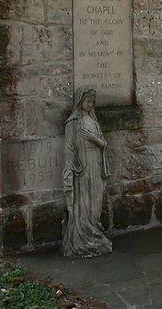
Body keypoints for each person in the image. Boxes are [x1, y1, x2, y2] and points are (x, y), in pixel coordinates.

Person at [62, 86, 112, 257]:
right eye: (88, 101)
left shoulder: (94, 121)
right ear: (80, 102)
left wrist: (93, 139)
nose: (90, 105)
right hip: (81, 167)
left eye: (93, 102)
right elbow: (68, 148)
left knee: (96, 202)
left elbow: (104, 144)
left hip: (95, 163)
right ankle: (82, 238)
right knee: (83, 202)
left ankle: (95, 233)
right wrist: (70, 170)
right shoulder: (73, 123)